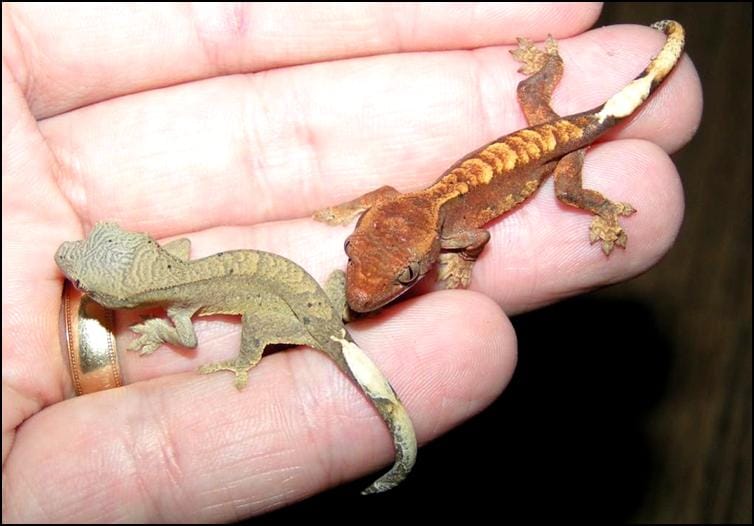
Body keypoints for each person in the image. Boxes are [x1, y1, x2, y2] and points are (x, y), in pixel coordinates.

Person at [2, 4, 701, 521]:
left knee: (571, 184)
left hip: (557, 145)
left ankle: (606, 194)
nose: (372, 291)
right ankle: (572, 77)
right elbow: (390, 200)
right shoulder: (406, 204)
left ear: (426, 251)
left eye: (400, 276)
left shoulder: (454, 229)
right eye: (360, 254)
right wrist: (352, 218)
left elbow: (476, 240)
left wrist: (478, 257)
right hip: (512, 146)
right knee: (530, 102)